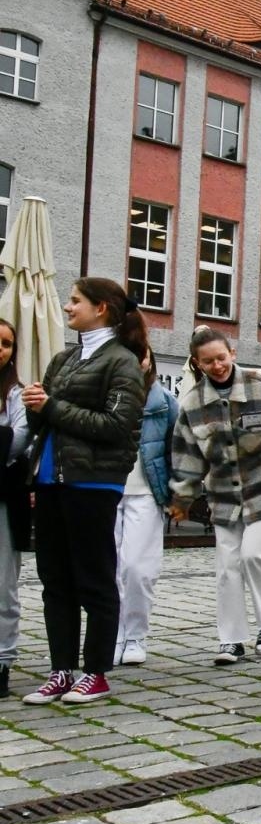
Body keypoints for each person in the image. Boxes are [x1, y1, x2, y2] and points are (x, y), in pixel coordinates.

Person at [20, 278, 145, 705]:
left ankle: (95, 671)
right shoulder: (64, 358)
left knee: (93, 578)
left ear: (102, 308)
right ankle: (60, 670)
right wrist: (34, 405)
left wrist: (51, 406)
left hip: (93, 482)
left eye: (75, 300)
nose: (68, 306)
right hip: (51, 479)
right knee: (55, 579)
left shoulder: (122, 362)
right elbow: (47, 422)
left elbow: (114, 426)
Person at [169, 328, 261, 664]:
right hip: (224, 496)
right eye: (208, 361)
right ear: (197, 364)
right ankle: (231, 639)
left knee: (255, 556)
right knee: (227, 567)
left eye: (221, 358)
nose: (217, 365)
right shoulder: (193, 402)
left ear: (233, 353)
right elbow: (187, 456)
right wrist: (181, 500)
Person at [114, 344, 178, 666]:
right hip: (105, 490)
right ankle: (113, 633)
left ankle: (136, 633)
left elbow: (176, 449)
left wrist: (178, 492)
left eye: (142, 355)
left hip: (146, 492)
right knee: (110, 568)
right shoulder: (105, 392)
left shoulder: (163, 401)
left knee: (138, 569)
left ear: (150, 359)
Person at [0, 318, 29, 696]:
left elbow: (20, 438)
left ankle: (2, 659)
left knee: (3, 584)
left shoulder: (16, 395)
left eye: (7, 343)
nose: (0, 349)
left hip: (6, 499)